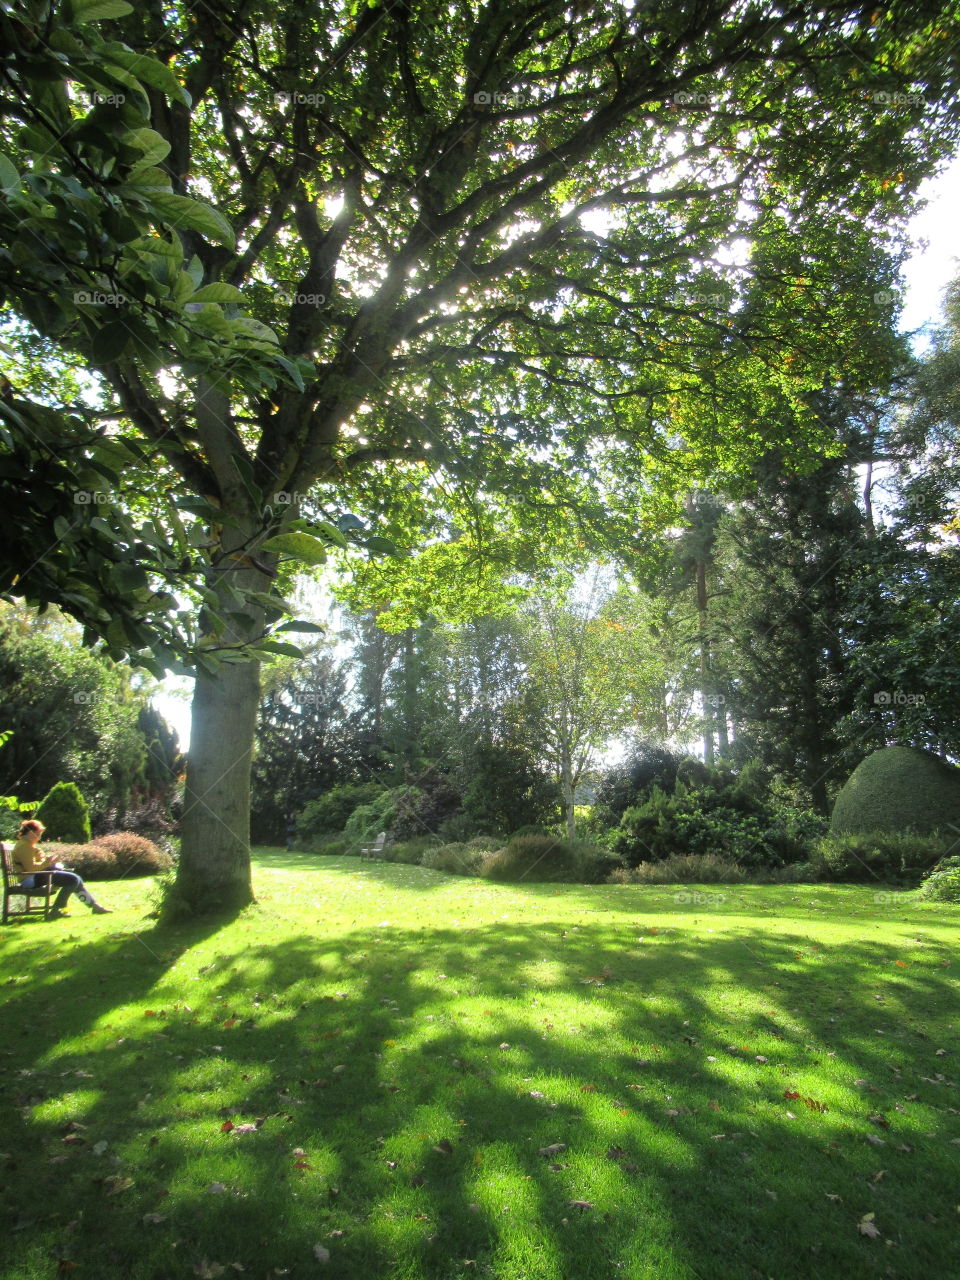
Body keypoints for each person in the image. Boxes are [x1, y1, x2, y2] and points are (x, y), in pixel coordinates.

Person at [11, 819, 112, 917]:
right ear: (30, 833)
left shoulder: (28, 845)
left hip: (37, 876)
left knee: (76, 879)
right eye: (38, 834)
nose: (39, 837)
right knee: (73, 880)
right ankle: (56, 910)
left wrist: (48, 862)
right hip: (30, 880)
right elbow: (31, 869)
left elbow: (36, 864)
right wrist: (47, 862)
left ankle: (94, 906)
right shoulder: (24, 846)